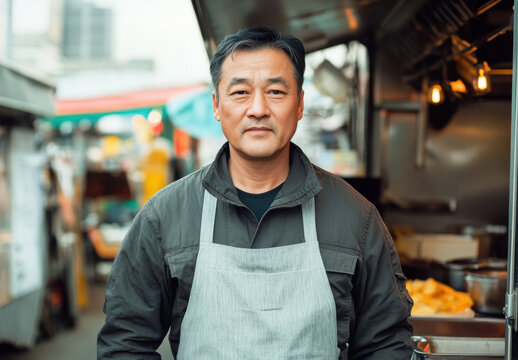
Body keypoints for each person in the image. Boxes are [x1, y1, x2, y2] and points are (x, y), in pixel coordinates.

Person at [97, 26, 413, 359]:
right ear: (217, 105)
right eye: (240, 93)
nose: (258, 108)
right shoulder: (164, 216)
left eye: (276, 92)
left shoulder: (356, 218)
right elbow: (125, 343)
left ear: (300, 103)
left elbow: (385, 344)